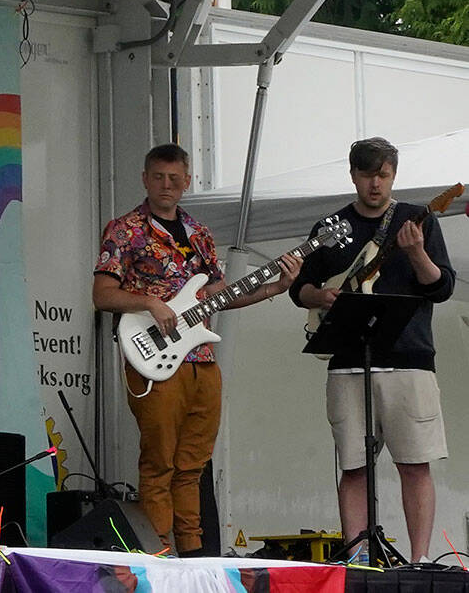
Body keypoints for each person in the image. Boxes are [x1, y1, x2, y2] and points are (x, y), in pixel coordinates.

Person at [92, 143, 300, 556]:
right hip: (153, 359)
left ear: (187, 181)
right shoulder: (125, 229)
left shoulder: (199, 233)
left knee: (192, 466)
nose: (166, 185)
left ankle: (192, 554)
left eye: (174, 178)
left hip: (201, 359)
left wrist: (276, 287)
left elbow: (218, 295)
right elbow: (102, 294)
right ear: (145, 178)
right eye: (158, 177)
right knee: (159, 462)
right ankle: (158, 553)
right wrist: (150, 303)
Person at [289, 137, 453, 564]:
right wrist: (319, 296)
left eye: (383, 175)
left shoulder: (417, 221)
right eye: (366, 175)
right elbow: (299, 288)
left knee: (415, 463)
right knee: (354, 465)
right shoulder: (330, 226)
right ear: (353, 175)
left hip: (409, 359)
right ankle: (357, 558)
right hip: (348, 361)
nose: (375, 184)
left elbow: (441, 287)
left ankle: (419, 561)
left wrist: (416, 253)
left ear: (394, 175)